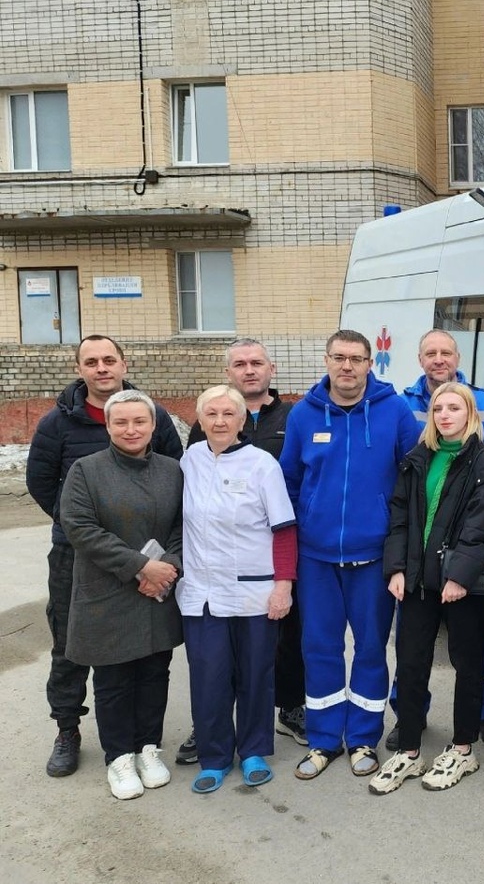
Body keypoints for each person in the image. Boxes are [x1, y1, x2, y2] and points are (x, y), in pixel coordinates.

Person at [26, 335, 183, 778]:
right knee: (71, 646)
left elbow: (176, 486)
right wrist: (89, 529)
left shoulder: (153, 414)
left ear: (123, 364)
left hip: (155, 559)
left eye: (109, 360)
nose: (101, 368)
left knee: (150, 655)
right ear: (79, 368)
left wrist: (158, 564)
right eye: (91, 361)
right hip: (78, 554)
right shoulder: (58, 423)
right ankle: (68, 729)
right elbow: (42, 484)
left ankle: (145, 744)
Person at [280, 329, 420, 780]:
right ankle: (323, 741)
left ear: (369, 364)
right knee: (319, 648)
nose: (347, 366)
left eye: (356, 359)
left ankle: (362, 739)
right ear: (326, 360)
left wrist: (400, 548)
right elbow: (289, 483)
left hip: (373, 558)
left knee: (371, 649)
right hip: (316, 558)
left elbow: (412, 482)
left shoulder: (395, 411)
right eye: (339, 357)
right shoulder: (303, 414)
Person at [368, 382, 484, 795]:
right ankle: (409, 750)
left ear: (470, 414)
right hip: (416, 582)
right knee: (410, 663)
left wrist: (459, 577)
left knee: (467, 663)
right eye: (438, 408)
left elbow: (480, 524)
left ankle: (463, 748)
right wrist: (396, 568)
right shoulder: (417, 458)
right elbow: (400, 517)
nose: (445, 415)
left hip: (461, 585)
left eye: (454, 408)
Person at [180, 339, 304, 767]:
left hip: (255, 591)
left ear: (241, 421)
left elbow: (284, 530)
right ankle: (214, 757)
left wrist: (283, 587)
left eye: (228, 414)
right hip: (203, 593)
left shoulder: (262, 464)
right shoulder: (189, 461)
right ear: (199, 420)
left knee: (255, 675)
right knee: (208, 677)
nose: (219, 421)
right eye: (211, 414)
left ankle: (253, 752)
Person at [57, 389, 184, 800]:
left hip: (158, 589)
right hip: (108, 589)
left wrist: (167, 566)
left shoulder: (172, 470)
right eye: (121, 422)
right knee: (113, 679)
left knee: (154, 674)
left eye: (139, 421)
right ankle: (119, 757)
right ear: (108, 426)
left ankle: (148, 747)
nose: (131, 429)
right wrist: (140, 567)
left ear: (153, 425)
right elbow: (80, 527)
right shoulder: (86, 470)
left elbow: (185, 525)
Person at [391, 328, 484, 749]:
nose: (438, 359)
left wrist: (466, 563)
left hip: (465, 558)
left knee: (475, 650)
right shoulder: (403, 406)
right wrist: (398, 565)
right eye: (430, 352)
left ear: (458, 357)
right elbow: (404, 490)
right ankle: (410, 720)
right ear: (420, 359)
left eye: (446, 352)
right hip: (420, 561)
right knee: (411, 652)